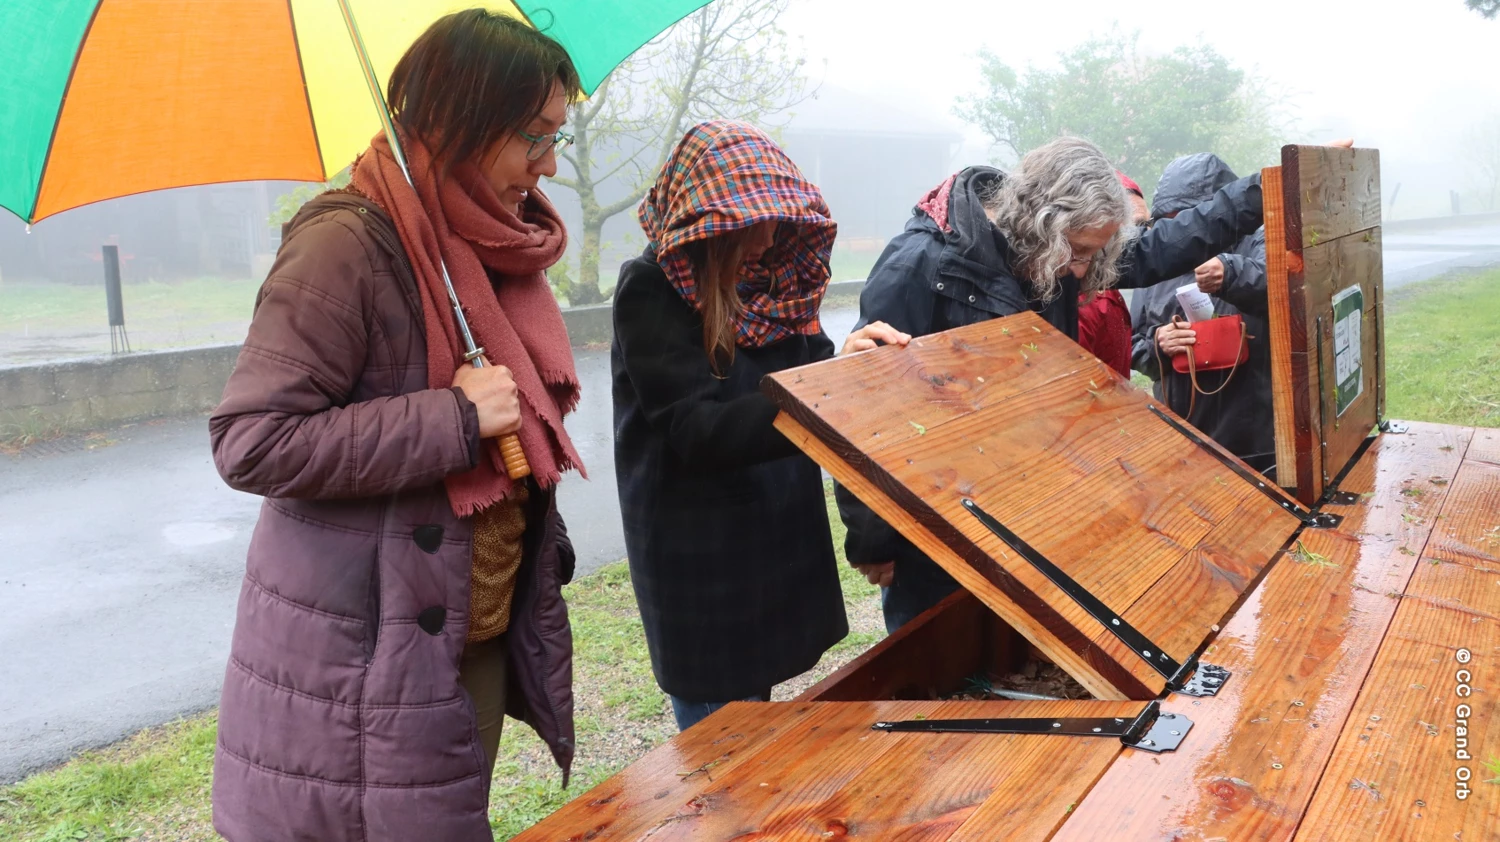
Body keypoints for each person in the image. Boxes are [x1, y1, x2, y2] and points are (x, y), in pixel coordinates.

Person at [208, 12, 583, 840]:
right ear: (463, 117)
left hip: (463, 637)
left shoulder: (481, 243)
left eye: (557, 134)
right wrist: (451, 417)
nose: (550, 163)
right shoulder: (344, 243)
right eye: (533, 135)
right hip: (358, 670)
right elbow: (251, 439)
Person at [837, 136, 1267, 634]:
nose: (1083, 272)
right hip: (936, 530)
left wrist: (1264, 189)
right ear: (1039, 220)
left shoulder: (1055, 249)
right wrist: (874, 540)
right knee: (938, 677)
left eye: (1095, 254)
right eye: (1080, 253)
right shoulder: (921, 265)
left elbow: (1167, 244)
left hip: (1025, 509)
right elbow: (867, 414)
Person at [612, 120, 909, 731]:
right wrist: (822, 390)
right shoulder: (652, 290)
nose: (769, 237)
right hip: (702, 552)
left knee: (764, 732)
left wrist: (850, 359)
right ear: (708, 224)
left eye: (777, 219)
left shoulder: (774, 282)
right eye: (753, 223)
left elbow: (809, 376)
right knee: (723, 742)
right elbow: (696, 429)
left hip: (773, 533)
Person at [1131, 153, 1274, 473]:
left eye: (1189, 215)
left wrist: (1230, 274)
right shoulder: (1155, 260)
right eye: (1169, 217)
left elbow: (1280, 290)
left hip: (1255, 438)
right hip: (1182, 438)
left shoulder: (1258, 239)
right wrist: (1159, 345)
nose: (1182, 228)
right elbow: (1131, 341)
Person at [1076, 171, 1149, 376]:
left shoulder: (1110, 287)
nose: (1142, 237)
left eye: (1144, 225)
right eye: (1131, 228)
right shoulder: (1088, 297)